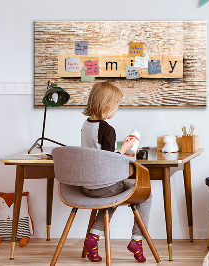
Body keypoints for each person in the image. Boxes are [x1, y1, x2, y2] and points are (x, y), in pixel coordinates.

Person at [81, 81, 151, 263]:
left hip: (87, 186)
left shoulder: (86, 125)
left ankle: (93, 238)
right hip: (104, 186)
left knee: (111, 198)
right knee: (146, 194)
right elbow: (108, 161)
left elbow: (98, 154)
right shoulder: (107, 129)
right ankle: (137, 240)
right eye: (117, 105)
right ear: (108, 105)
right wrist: (125, 149)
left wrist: (120, 149)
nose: (116, 110)